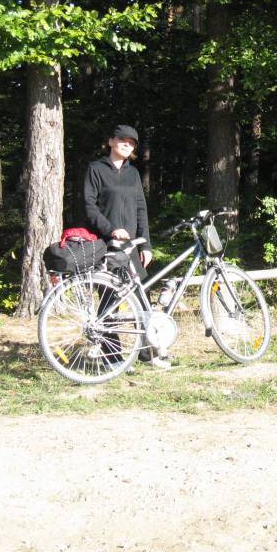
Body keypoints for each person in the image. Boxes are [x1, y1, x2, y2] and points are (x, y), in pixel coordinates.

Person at [83, 124, 169, 369]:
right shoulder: (96, 169)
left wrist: (146, 244)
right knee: (109, 299)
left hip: (131, 246)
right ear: (111, 141)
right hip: (106, 244)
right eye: (123, 140)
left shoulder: (133, 174)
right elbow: (89, 206)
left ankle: (146, 353)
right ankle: (112, 358)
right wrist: (110, 229)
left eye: (131, 143)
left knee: (142, 298)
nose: (127, 145)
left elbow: (141, 208)